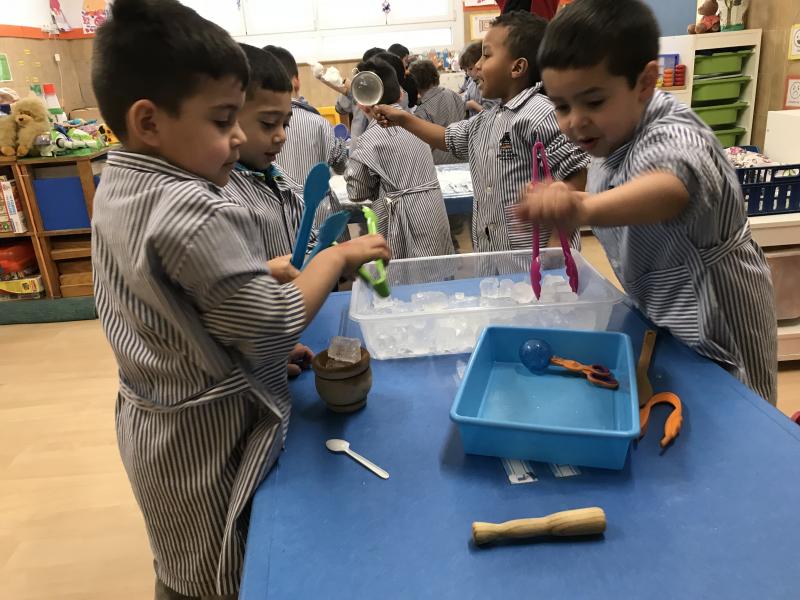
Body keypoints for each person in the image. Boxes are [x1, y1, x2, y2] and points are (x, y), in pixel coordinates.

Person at [90, 2, 390, 598]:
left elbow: (171, 308)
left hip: (156, 420)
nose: (237, 137)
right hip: (206, 436)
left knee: (183, 559)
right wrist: (334, 260)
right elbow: (276, 323)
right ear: (149, 121)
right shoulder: (192, 206)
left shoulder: (121, 181)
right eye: (223, 119)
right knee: (220, 571)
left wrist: (244, 342)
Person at [516, 0, 776, 403]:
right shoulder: (610, 135)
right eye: (562, 106)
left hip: (718, 319)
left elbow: (671, 187)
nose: (574, 121)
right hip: (664, 313)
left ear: (644, 83)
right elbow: (616, 193)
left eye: (594, 102)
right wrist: (571, 199)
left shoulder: (672, 130)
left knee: (739, 416)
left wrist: (582, 209)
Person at [374, 11, 589, 252]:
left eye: (486, 55)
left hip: (535, 260)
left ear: (517, 67)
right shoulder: (487, 119)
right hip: (495, 257)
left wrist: (557, 246)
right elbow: (447, 138)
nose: (477, 65)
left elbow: (574, 170)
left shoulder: (539, 113)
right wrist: (403, 119)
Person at [345, 56, 453, 259]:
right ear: (400, 93)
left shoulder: (368, 140)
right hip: (433, 211)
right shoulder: (418, 125)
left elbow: (356, 192)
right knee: (437, 268)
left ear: (362, 104)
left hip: (400, 222)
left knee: (404, 273)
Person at [262, 44, 349, 242]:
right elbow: (343, 165)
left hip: (282, 221)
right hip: (323, 216)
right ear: (296, 81)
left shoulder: (257, 129)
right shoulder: (319, 123)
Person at [408, 59, 466, 164]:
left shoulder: (422, 112)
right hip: (463, 156)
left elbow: (422, 147)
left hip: (439, 164)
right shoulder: (453, 94)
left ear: (414, 83)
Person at [459, 40, 498, 118]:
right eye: (466, 70)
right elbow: (464, 98)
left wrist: (473, 105)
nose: (468, 73)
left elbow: (493, 115)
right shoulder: (471, 81)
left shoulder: (492, 86)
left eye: (470, 68)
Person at [388, 42, 419, 107]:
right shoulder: (406, 80)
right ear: (397, 59)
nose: (406, 64)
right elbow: (412, 101)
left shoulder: (388, 76)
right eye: (405, 60)